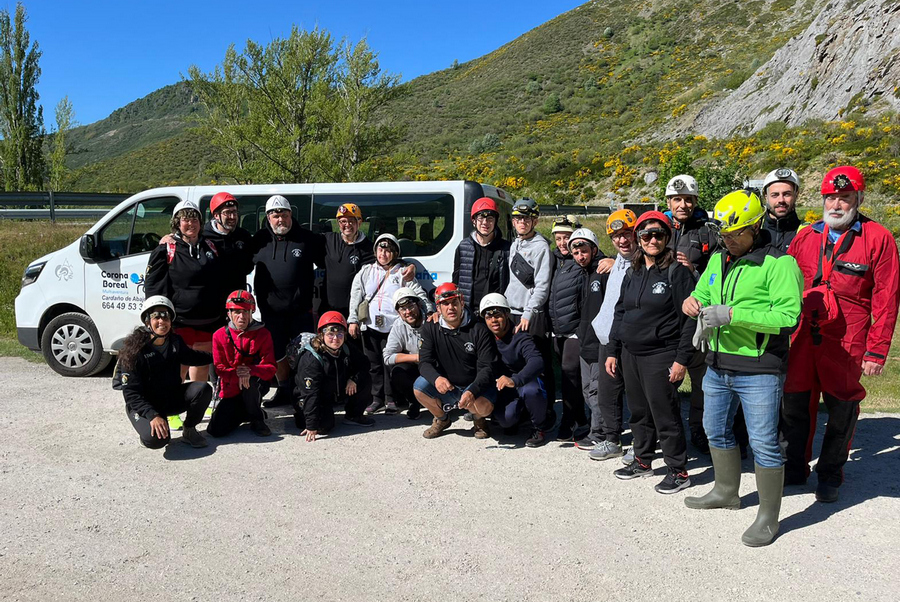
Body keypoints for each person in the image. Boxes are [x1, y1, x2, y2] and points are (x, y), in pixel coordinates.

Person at [682, 190, 803, 547]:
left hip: (761, 369)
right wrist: (695, 302)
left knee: (764, 444)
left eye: (735, 235)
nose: (728, 241)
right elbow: (704, 292)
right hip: (718, 365)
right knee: (715, 430)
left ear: (756, 227)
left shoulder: (780, 264)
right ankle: (726, 491)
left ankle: (768, 518)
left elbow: (787, 317)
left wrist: (735, 315)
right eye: (724, 235)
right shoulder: (719, 259)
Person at [782, 166, 900, 503]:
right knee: (794, 404)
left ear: (858, 199)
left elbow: (888, 298)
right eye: (831, 198)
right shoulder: (805, 236)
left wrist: (876, 351)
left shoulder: (878, 238)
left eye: (844, 198)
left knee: (842, 408)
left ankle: (830, 474)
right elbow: (786, 285)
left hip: (847, 338)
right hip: (803, 334)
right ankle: (794, 467)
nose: (836, 205)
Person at [606, 210, 694, 494]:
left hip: (661, 354)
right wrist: (612, 350)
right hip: (631, 354)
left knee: (664, 413)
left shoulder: (676, 272)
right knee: (639, 412)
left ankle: (678, 470)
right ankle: (643, 460)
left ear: (667, 237)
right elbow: (620, 312)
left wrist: (682, 360)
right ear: (639, 239)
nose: (652, 239)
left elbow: (690, 320)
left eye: (658, 234)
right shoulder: (633, 271)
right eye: (646, 234)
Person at [348, 233, 433, 415]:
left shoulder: (403, 272)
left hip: (393, 327)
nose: (383, 254)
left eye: (388, 251)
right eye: (380, 249)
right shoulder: (366, 271)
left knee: (389, 364)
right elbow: (356, 296)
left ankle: (390, 399)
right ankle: (376, 398)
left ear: (395, 253)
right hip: (370, 325)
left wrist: (430, 311)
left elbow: (418, 292)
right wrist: (353, 320)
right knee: (373, 364)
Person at [252, 195, 324, 408]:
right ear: (268, 217)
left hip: (300, 310)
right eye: (275, 215)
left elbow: (332, 253)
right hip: (271, 311)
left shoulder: (306, 238)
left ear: (290, 214)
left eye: (284, 213)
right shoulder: (259, 239)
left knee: (304, 353)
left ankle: (303, 392)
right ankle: (284, 389)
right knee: (278, 354)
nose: (280, 219)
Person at [663, 174, 718, 453]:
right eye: (677, 199)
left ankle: (698, 430)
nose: (682, 204)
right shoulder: (657, 227)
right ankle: (668, 434)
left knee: (700, 381)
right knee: (664, 381)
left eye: (688, 199)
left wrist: (693, 271)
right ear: (668, 201)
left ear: (695, 201)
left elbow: (718, 275)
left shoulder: (708, 232)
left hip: (695, 319)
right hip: (664, 318)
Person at [118, 296, 212, 449]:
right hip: (144, 405)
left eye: (166, 316)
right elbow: (131, 393)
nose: (162, 321)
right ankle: (149, 426)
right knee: (157, 440)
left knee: (203, 389)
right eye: (156, 316)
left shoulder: (175, 341)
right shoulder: (134, 350)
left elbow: (193, 357)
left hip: (169, 397)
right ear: (147, 321)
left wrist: (218, 357)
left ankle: (189, 430)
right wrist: (152, 415)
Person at [144, 200, 221, 387]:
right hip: (179, 321)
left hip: (207, 320)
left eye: (195, 220)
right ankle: (174, 406)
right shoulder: (166, 249)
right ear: (177, 223)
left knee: (201, 363)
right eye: (185, 220)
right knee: (178, 365)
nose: (191, 224)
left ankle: (198, 403)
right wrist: (156, 317)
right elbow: (153, 286)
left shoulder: (210, 246)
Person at [581, 211, 636, 460]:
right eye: (616, 236)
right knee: (608, 393)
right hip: (607, 340)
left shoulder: (642, 263)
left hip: (630, 342)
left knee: (637, 397)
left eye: (627, 234)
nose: (622, 240)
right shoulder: (617, 263)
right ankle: (612, 440)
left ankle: (640, 442)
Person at [414, 283, 500, 440]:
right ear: (438, 309)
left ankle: (478, 420)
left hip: (475, 385)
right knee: (419, 388)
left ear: (462, 303)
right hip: (449, 386)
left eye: (454, 302)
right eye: (445, 304)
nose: (450, 308)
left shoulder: (479, 329)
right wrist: (436, 378)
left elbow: (487, 368)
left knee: (484, 406)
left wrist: (472, 391)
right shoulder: (430, 327)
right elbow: (424, 362)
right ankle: (442, 419)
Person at [504, 198, 558, 434]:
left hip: (531, 315)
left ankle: (544, 419)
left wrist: (528, 312)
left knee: (537, 368)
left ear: (535, 220)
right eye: (517, 219)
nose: (522, 222)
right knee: (515, 366)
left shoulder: (541, 247)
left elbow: (542, 286)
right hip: (512, 312)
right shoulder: (515, 244)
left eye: (526, 218)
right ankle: (521, 414)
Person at [481, 293, 555, 447]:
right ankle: (521, 417)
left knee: (532, 391)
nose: (494, 320)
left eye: (498, 315)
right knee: (506, 421)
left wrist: (515, 380)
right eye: (489, 317)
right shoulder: (485, 338)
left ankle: (539, 427)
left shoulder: (520, 336)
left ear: (507, 314)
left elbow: (537, 361)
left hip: (524, 382)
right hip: (503, 388)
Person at [293, 312, 376, 442]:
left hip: (335, 392)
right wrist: (311, 425)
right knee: (324, 426)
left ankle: (354, 415)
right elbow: (311, 393)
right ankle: (303, 417)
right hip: (312, 396)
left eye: (340, 334)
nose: (335, 339)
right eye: (330, 334)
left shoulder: (346, 348)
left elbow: (364, 364)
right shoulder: (311, 359)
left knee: (364, 379)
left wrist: (354, 378)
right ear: (321, 335)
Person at [207, 290, 277, 438]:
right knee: (216, 430)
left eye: (245, 311)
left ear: (252, 312)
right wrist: (239, 374)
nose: (242, 316)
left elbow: (271, 367)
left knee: (250, 384)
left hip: (254, 385)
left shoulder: (263, 334)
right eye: (237, 312)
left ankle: (256, 418)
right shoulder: (219, 335)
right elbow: (219, 369)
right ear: (229, 313)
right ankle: (246, 411)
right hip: (231, 387)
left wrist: (250, 371)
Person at [549, 221, 594, 443]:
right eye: (557, 238)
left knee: (569, 372)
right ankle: (579, 419)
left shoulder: (584, 259)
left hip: (576, 328)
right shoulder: (555, 260)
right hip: (558, 329)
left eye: (566, 237)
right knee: (570, 377)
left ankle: (571, 419)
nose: (562, 243)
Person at [452, 197, 511, 316]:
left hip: (495, 312)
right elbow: (456, 280)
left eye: (490, 219)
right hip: (468, 311)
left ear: (495, 221)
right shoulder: (463, 247)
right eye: (480, 218)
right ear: (474, 221)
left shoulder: (507, 248)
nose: (485, 223)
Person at [383, 287, 428, 419]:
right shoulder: (398, 326)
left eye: (411, 306)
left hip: (435, 365)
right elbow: (387, 356)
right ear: (398, 312)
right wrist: (415, 357)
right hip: (416, 364)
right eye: (403, 309)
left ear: (419, 305)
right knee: (398, 372)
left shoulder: (432, 320)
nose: (408, 312)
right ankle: (414, 402)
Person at [761, 168, 803, 253]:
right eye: (775, 195)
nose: (781, 200)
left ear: (796, 195)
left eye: (787, 194)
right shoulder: (755, 231)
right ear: (766, 196)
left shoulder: (806, 233)